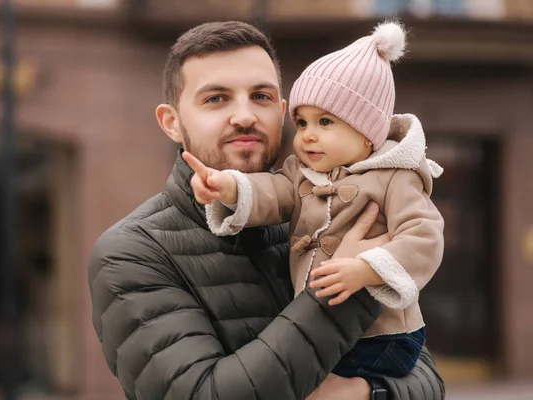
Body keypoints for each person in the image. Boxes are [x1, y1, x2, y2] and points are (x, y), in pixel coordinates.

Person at [88, 20, 445, 399]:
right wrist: (348, 289)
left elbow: (424, 375)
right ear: (171, 123)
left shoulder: (320, 209)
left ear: (282, 110)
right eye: (216, 99)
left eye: (260, 96)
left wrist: (363, 393)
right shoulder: (131, 253)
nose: (244, 116)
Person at [183, 21, 444, 380]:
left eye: (325, 122)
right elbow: (272, 192)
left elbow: (424, 236)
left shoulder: (395, 177)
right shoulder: (301, 172)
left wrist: (368, 269)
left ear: (367, 133)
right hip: (326, 333)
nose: (308, 136)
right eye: (302, 123)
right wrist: (228, 187)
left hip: (384, 336)